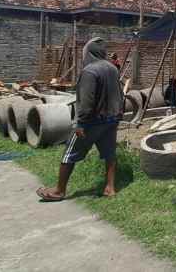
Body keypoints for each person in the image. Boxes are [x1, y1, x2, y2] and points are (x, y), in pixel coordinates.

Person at [36, 37, 124, 201]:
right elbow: (120, 94)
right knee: (109, 154)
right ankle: (110, 188)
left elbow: (86, 100)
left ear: (89, 53)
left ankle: (59, 191)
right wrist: (119, 114)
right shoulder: (112, 69)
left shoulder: (90, 71)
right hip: (111, 119)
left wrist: (80, 123)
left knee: (69, 154)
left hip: (92, 122)